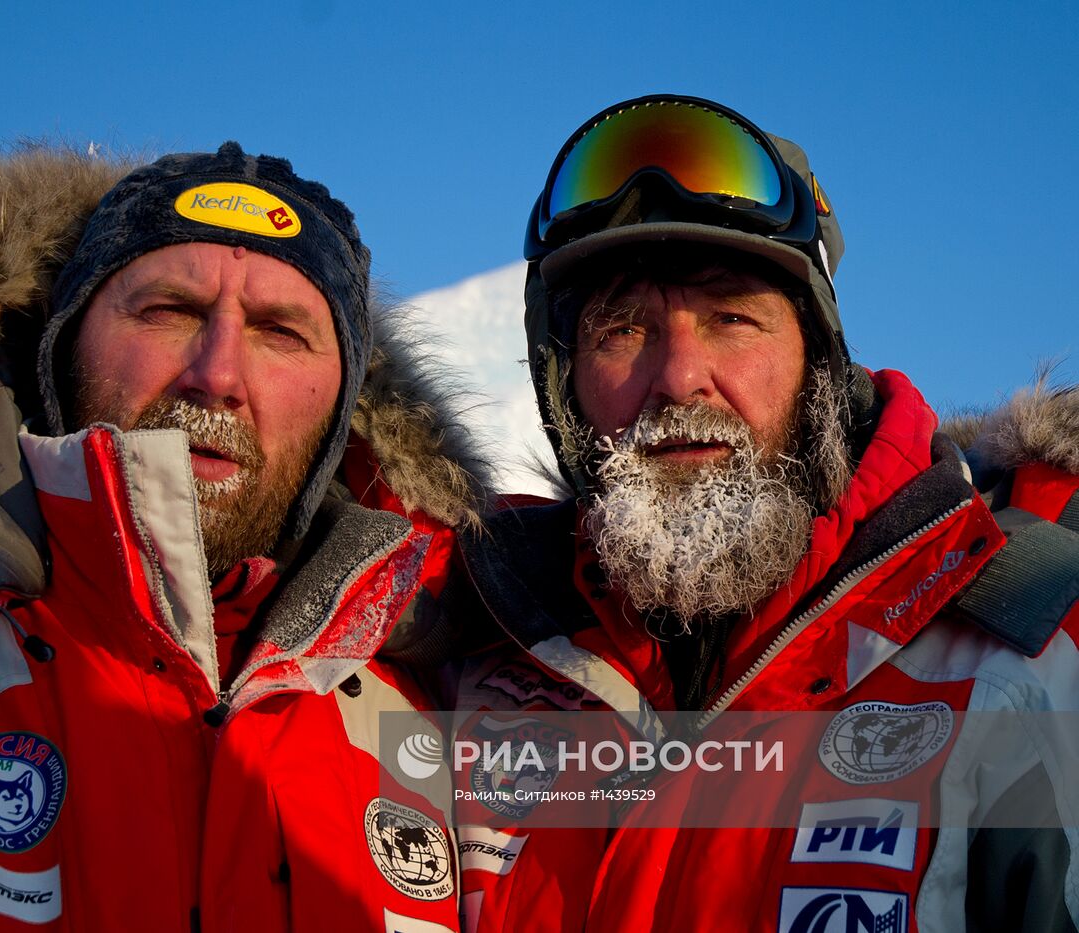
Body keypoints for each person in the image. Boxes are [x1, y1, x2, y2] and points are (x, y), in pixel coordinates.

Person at [0, 142, 485, 932]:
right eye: (169, 311)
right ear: (61, 351)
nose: (219, 373)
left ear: (342, 411)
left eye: (281, 330)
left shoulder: (441, 701)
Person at [445, 95, 1079, 931]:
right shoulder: (473, 648)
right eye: (622, 330)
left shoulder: (1028, 652)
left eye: (731, 318)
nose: (678, 377)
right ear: (564, 384)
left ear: (817, 356)